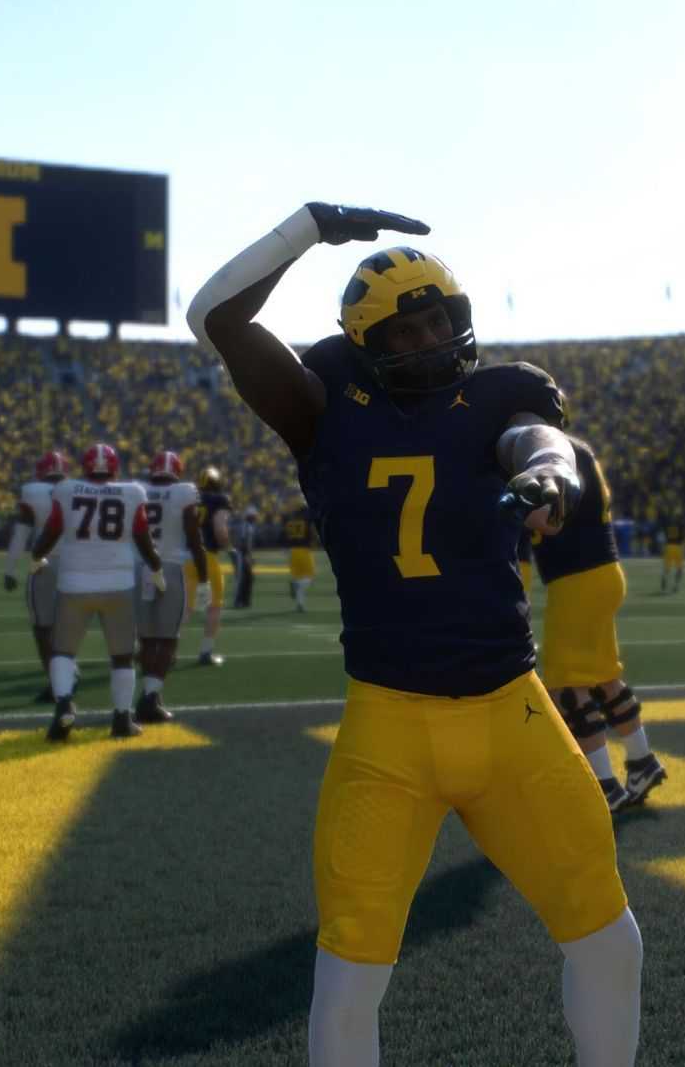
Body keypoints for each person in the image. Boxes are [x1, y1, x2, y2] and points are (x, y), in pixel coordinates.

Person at [189, 202, 640, 1067]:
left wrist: (549, 466)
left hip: (513, 713)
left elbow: (530, 434)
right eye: (406, 328)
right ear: (364, 346)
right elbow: (215, 315)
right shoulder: (320, 404)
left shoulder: (501, 394)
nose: (431, 336)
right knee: (348, 977)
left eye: (442, 317)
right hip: (387, 731)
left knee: (610, 939)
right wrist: (310, 228)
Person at [535, 436, 666, 812]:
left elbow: (550, 520)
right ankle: (642, 761)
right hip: (605, 571)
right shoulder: (579, 450)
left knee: (568, 688)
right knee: (605, 677)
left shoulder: (550, 451)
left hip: (575, 579)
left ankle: (603, 786)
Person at [28, 443, 165, 740]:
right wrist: (156, 567)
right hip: (118, 584)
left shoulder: (66, 490)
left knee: (63, 651)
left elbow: (51, 531)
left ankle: (63, 704)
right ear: (114, 468)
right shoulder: (132, 492)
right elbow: (144, 538)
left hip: (74, 584)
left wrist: (36, 554)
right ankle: (121, 719)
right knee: (122, 657)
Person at [135, 450, 202, 724]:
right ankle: (150, 697)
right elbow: (193, 535)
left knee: (148, 637)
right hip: (171, 567)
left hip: (140, 568)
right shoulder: (184, 492)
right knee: (169, 637)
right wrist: (205, 575)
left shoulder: (137, 491)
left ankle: (150, 693)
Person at [5, 451, 68, 704]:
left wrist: (10, 569)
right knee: (67, 626)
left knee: (43, 628)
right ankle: (68, 673)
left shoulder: (33, 492)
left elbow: (21, 534)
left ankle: (57, 683)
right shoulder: (78, 489)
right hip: (77, 564)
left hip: (45, 563)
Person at [191, 466, 233, 666]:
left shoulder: (190, 498)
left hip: (185, 555)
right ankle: (206, 652)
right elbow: (220, 529)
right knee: (214, 606)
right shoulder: (219, 500)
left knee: (183, 608)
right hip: (207, 556)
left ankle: (163, 650)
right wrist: (228, 547)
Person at [283, 504, 317, 612]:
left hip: (292, 551)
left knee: (298, 578)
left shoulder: (291, 520)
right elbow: (312, 533)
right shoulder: (306, 520)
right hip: (303, 550)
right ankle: (295, 585)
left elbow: (285, 536)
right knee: (309, 577)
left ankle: (299, 604)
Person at [659, 513, 685, 594]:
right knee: (679, 568)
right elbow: (683, 537)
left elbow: (664, 535)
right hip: (678, 547)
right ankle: (676, 585)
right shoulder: (681, 525)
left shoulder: (668, 526)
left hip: (669, 546)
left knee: (667, 567)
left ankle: (664, 580)